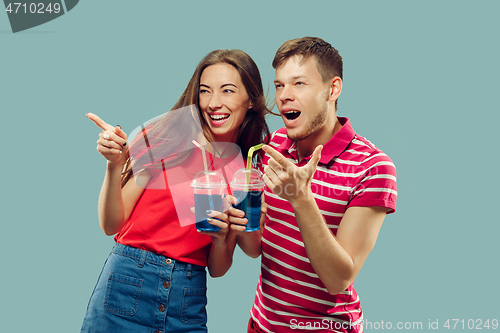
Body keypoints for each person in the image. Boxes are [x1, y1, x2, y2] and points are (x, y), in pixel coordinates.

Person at [80, 49, 270, 333]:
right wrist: (114, 166)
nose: (214, 103)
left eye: (228, 91)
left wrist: (219, 240)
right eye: (205, 91)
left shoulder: (243, 171)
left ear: (251, 100)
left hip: (187, 296)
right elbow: (110, 225)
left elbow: (218, 269)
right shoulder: (165, 136)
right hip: (127, 283)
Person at [229, 37, 398, 333]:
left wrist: (301, 200)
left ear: (332, 89)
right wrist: (244, 213)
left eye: (299, 84)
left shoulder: (372, 167)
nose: (284, 96)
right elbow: (255, 249)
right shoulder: (275, 145)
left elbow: (338, 279)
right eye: (280, 85)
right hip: (262, 324)